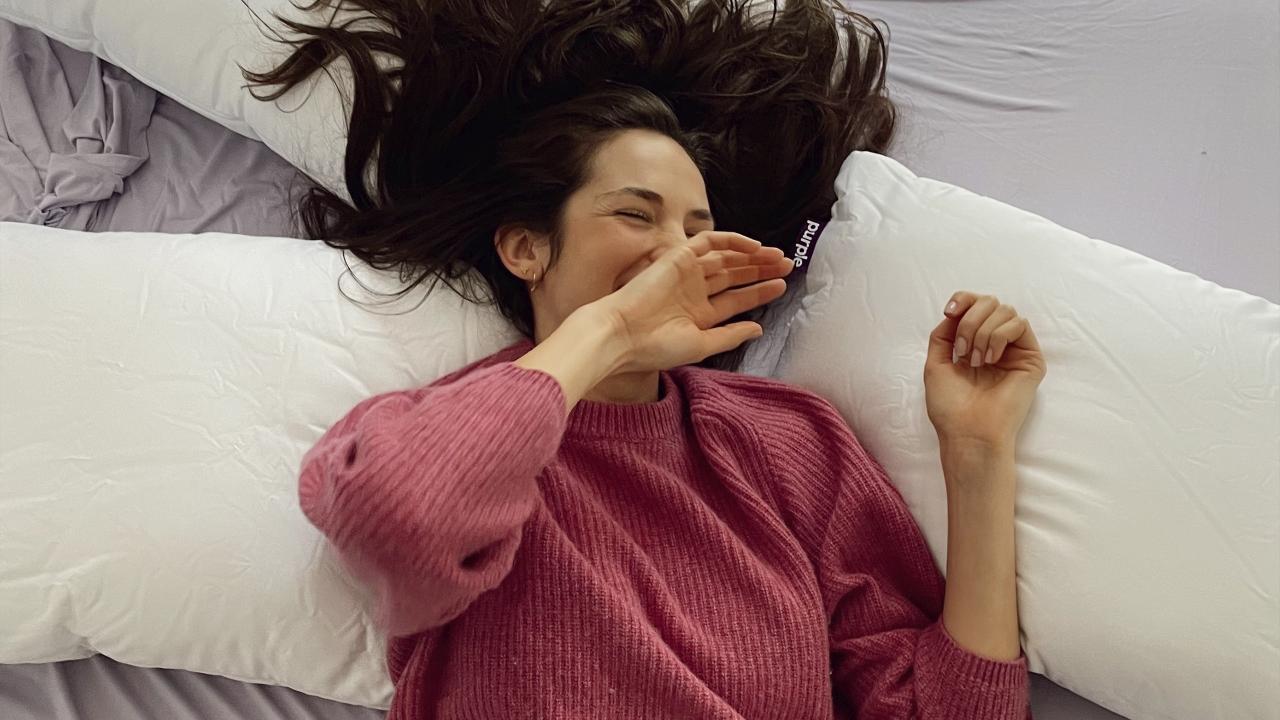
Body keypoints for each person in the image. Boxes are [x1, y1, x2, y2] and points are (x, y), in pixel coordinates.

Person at [246, 1, 1047, 718]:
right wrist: (612, 334)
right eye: (636, 214)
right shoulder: (445, 434)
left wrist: (977, 455)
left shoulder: (786, 443)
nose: (677, 254)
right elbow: (395, 526)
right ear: (527, 248)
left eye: (697, 231)